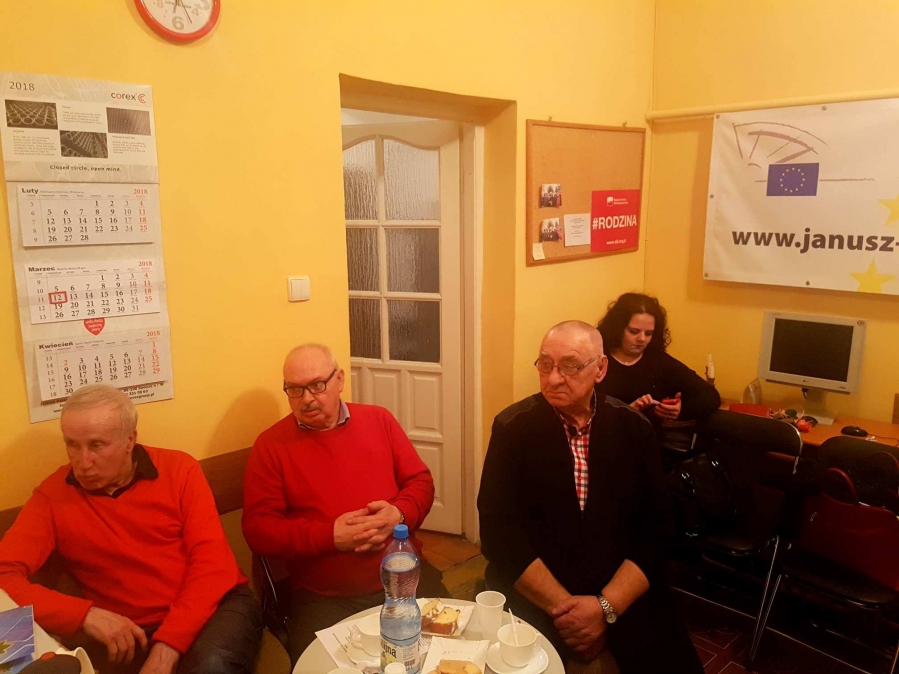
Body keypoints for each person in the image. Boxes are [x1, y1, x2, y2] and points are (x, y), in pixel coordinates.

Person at [478, 321, 702, 673]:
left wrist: (605, 607)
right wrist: (571, 613)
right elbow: (499, 534)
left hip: (618, 587)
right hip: (541, 588)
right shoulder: (513, 428)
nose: (554, 378)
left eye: (570, 366)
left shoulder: (633, 428)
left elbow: (657, 528)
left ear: (600, 369)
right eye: (545, 364)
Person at [0, 385, 262, 674]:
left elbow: (213, 566)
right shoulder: (53, 496)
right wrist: (84, 615)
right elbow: (3, 575)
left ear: (130, 440)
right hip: (129, 631)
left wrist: (167, 648)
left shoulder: (179, 470)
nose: (82, 462)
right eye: (72, 445)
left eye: (97, 445)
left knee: (210, 667)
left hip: (214, 607)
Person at [242, 343, 447, 665]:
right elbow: (258, 529)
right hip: (325, 597)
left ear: (339, 380)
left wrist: (398, 513)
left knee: (450, 655)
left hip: (404, 577)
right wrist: (329, 537)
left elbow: (420, 482)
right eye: (294, 389)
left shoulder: (379, 420)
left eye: (317, 385)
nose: (307, 398)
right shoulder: (271, 445)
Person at [596, 293, 720, 435]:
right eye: (634, 331)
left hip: (646, 441)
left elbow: (710, 396)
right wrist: (628, 412)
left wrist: (680, 410)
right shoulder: (596, 358)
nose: (642, 339)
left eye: (649, 333)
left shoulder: (658, 361)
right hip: (603, 439)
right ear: (617, 328)